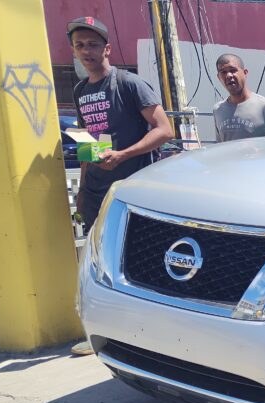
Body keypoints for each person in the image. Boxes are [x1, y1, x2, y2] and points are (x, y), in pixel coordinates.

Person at [68, 16, 173, 355]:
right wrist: (84, 189)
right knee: (99, 263)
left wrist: (124, 154)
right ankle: (100, 334)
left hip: (131, 189)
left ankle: (153, 335)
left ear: (107, 48)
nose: (87, 51)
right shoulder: (80, 90)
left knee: (139, 262)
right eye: (80, 45)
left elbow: (163, 130)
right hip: (98, 189)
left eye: (93, 44)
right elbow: (88, 144)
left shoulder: (128, 84)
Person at [213, 54, 265, 142]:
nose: (229, 75)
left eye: (233, 70)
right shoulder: (218, 110)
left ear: (245, 73)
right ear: (219, 78)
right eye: (223, 72)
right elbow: (220, 146)